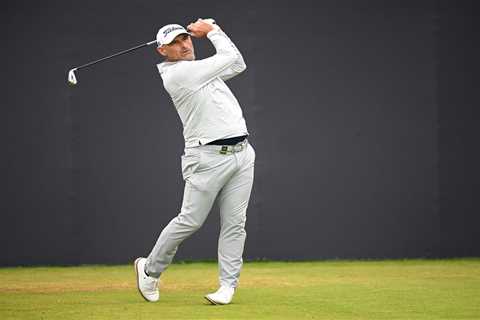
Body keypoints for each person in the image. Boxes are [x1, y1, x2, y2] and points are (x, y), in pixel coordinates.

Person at [134, 18, 255, 305]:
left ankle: (227, 286)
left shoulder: (202, 71)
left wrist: (215, 34)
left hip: (242, 153)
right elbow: (231, 57)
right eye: (174, 43)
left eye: (185, 38)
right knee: (190, 220)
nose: (184, 45)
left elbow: (238, 65)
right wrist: (213, 30)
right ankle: (150, 270)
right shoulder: (179, 75)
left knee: (236, 224)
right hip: (206, 158)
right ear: (162, 51)